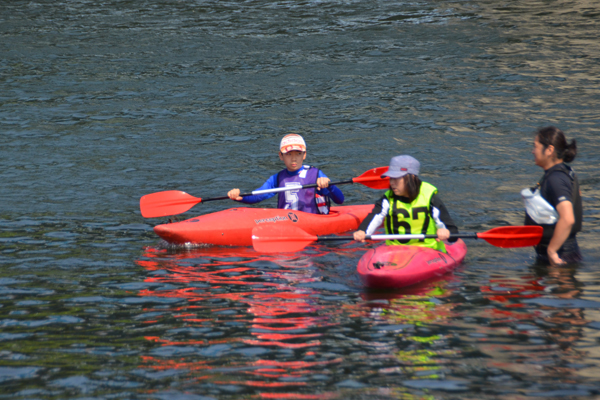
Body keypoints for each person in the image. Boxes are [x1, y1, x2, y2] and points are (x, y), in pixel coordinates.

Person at [353, 155, 458, 252]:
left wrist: (446, 233)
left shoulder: (430, 198)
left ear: (411, 178)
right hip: (395, 250)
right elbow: (375, 215)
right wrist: (362, 231)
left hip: (427, 250)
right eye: (391, 178)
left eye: (396, 178)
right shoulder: (388, 198)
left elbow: (452, 233)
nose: (392, 183)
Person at [227, 134, 344, 214]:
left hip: (312, 222)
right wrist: (240, 196)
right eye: (288, 154)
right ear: (281, 156)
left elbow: (340, 200)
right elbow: (259, 195)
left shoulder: (316, 174)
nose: (294, 159)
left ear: (304, 155)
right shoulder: (277, 178)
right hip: (286, 222)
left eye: (298, 154)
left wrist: (330, 186)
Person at [525, 126, 582, 265]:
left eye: (535, 146)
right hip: (564, 255)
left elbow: (568, 219)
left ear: (549, 150)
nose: (532, 151)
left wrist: (552, 251)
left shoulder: (556, 179)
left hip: (558, 258)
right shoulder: (565, 172)